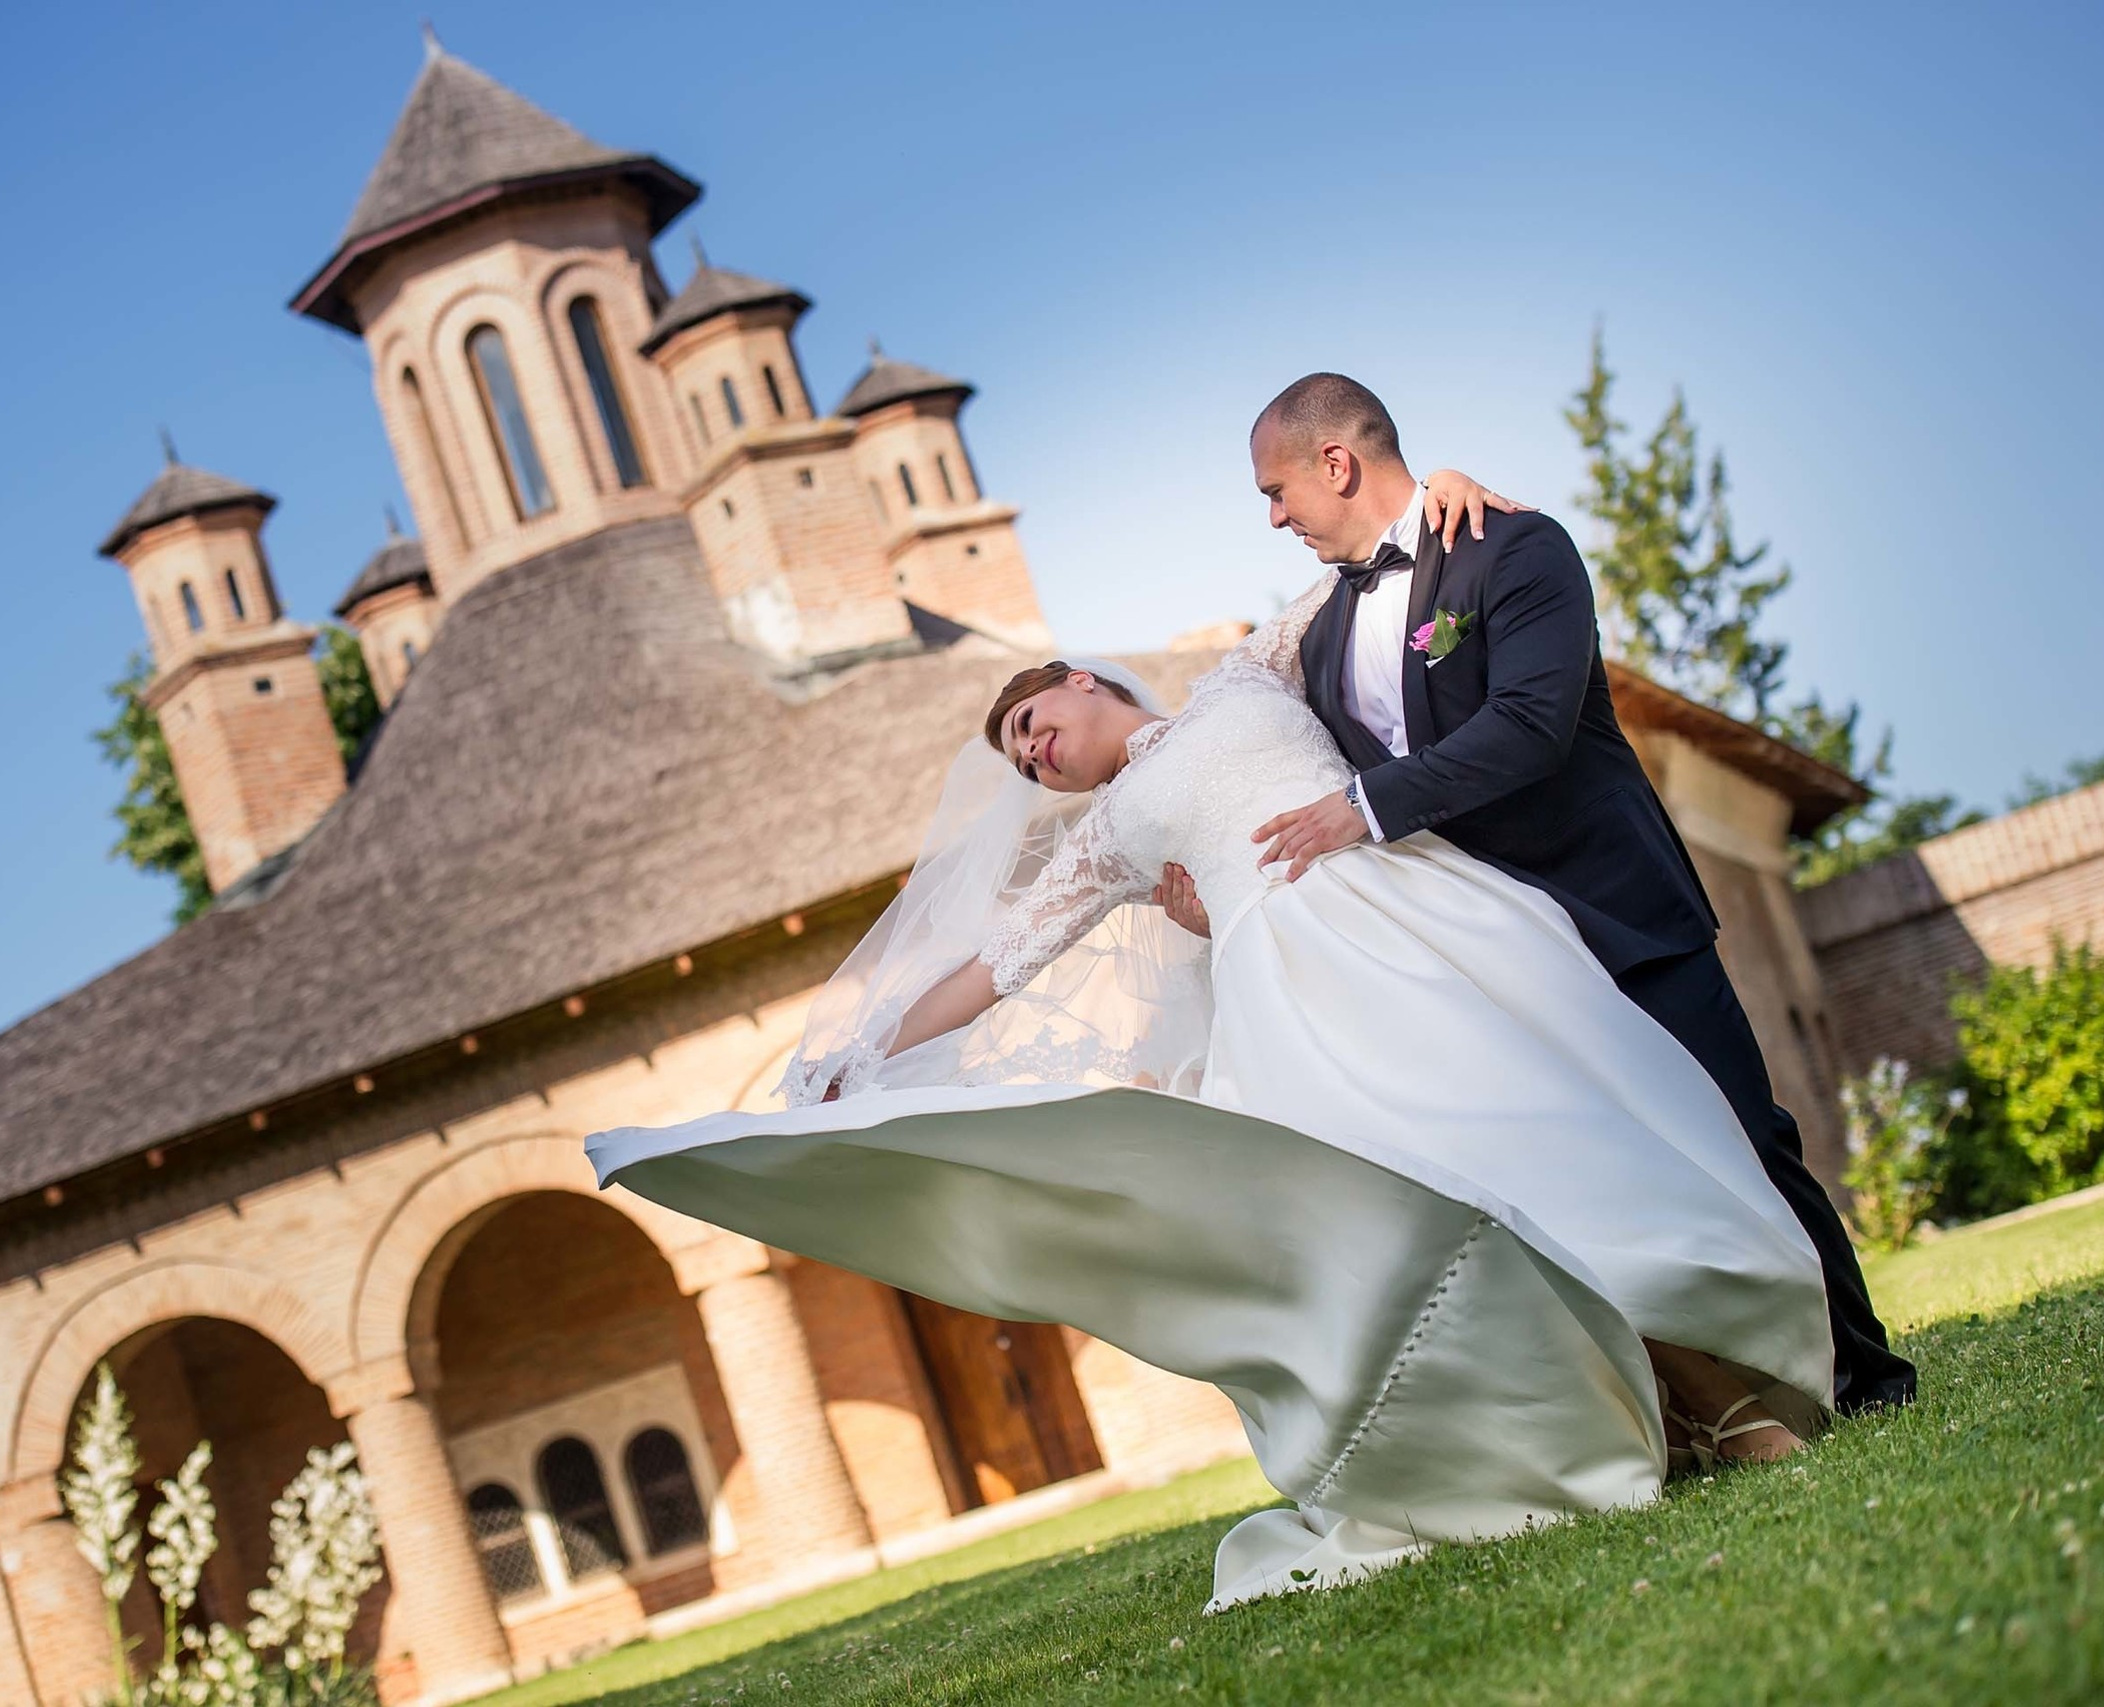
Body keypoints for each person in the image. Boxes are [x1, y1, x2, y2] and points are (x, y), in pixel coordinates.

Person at [588, 513, 1834, 1605]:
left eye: (1033, 722)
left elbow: (1354, 569)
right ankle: (1639, 1426)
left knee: (1548, 1157)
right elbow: (991, 964)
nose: (1035, 753)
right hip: (1291, 1009)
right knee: (1443, 1225)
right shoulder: (1113, 838)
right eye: (1022, 758)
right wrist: (865, 1045)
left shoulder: (1245, 679)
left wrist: (1446, 484)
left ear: (1081, 682)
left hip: (1424, 937)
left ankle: (1723, 1398)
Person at [1222, 373, 1912, 1417]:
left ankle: (1864, 1375)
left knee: (1743, 1139)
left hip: (1612, 909)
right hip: (1487, 961)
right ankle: (1696, 1412)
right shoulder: (1319, 634)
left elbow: (1531, 724)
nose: (1274, 516)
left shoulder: (1516, 547)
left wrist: (1363, 807)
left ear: (1337, 464)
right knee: (1585, 1186)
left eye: (1278, 490)